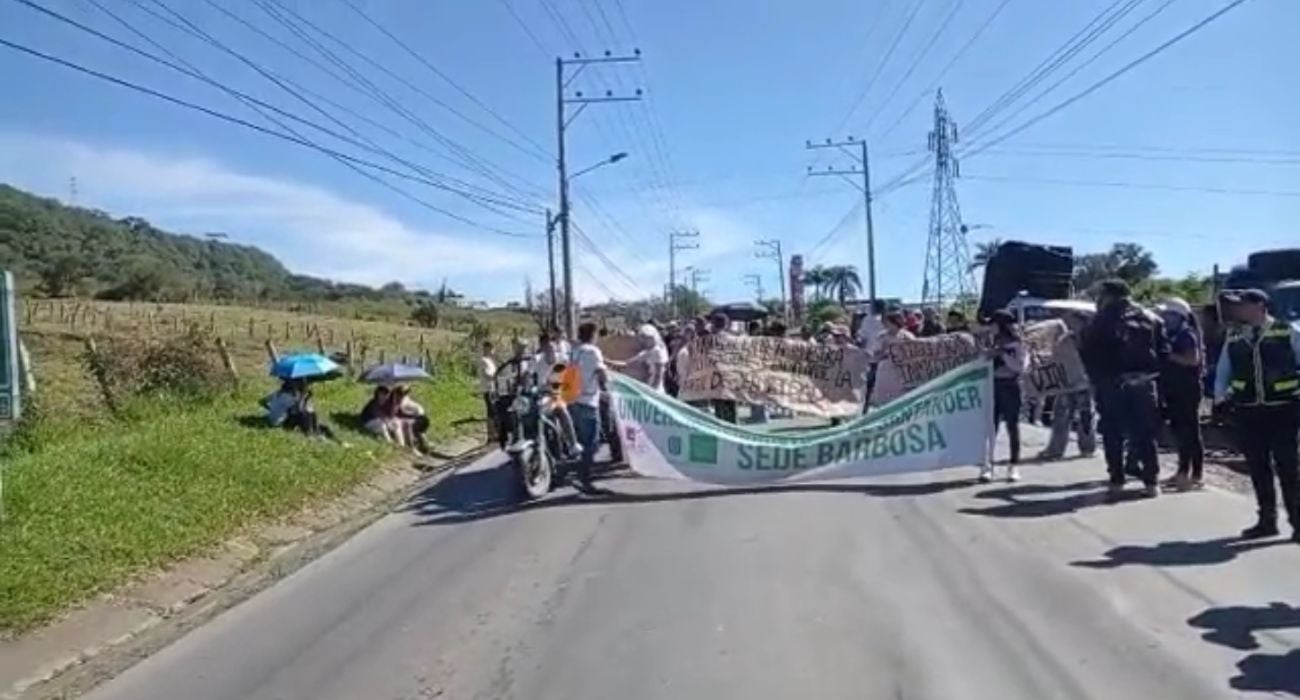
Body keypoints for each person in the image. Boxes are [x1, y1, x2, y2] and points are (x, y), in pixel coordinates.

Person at [1213, 288, 1300, 542]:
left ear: (1260, 305)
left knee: (1288, 467)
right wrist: (1220, 398)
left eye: (1244, 305)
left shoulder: (1286, 331)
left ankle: (1297, 521)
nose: (1239, 309)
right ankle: (1267, 520)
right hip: (1249, 410)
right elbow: (1223, 369)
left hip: (1283, 409)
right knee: (1258, 467)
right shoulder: (1235, 336)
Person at [1081, 279, 1168, 499]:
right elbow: (1164, 352)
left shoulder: (1099, 320)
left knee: (1113, 432)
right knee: (1145, 433)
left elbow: (1088, 352)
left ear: (1109, 295)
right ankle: (1151, 482)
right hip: (1145, 382)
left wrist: (1096, 380)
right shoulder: (1152, 317)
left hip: (1112, 383)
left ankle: (1117, 480)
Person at [1158, 297, 1205, 491]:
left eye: (1167, 314)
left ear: (1178, 316)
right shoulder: (1170, 334)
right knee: (1180, 431)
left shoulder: (1187, 335)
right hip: (1174, 388)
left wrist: (1168, 355)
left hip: (1187, 389)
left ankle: (1195, 475)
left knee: (1190, 431)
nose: (1164, 317)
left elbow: (1192, 360)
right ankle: (1182, 471)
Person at [1038, 310, 1097, 460]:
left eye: (1073, 319)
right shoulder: (1068, 338)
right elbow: (1056, 357)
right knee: (1062, 415)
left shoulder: (1089, 339)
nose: (1069, 322)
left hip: (1082, 381)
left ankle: (1086, 448)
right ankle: (1057, 449)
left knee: (1085, 416)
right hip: (1068, 382)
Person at [982, 310, 1028, 482]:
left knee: (1012, 427)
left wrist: (1001, 355)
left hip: (1010, 386)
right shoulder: (991, 342)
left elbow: (1019, 367)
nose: (990, 327)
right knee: (990, 428)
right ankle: (987, 467)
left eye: (992, 323)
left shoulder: (1017, 344)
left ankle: (1013, 466)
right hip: (992, 386)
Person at [567, 321, 609, 494]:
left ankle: (580, 473)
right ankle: (585, 479)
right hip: (588, 401)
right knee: (592, 443)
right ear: (593, 335)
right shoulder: (593, 351)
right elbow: (601, 373)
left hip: (574, 401)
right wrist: (606, 387)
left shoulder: (575, 351)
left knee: (583, 440)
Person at [709, 313, 739, 423]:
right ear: (726, 324)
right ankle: (734, 433)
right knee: (731, 408)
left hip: (716, 377)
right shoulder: (734, 339)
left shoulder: (711, 340)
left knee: (720, 409)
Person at [392, 385, 430, 453]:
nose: (403, 395)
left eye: (405, 393)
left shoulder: (404, 399)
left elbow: (404, 410)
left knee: (420, 421)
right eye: (402, 394)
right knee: (409, 424)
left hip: (405, 417)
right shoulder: (392, 400)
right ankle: (415, 446)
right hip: (395, 420)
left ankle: (423, 443)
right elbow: (395, 413)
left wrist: (414, 414)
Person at [477, 341, 497, 441]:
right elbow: (486, 374)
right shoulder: (483, 360)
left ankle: (494, 432)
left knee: (494, 411)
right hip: (487, 388)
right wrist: (495, 377)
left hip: (493, 388)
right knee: (491, 412)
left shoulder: (491, 361)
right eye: (490, 348)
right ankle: (490, 434)